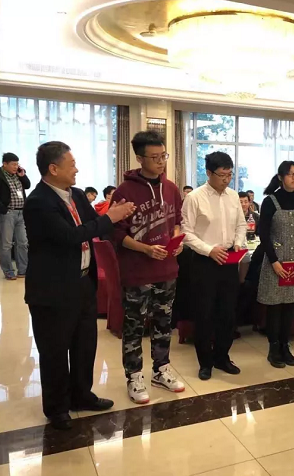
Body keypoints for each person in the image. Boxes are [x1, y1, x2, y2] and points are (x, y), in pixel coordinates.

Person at [23, 141, 135, 430]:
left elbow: (95, 223)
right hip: (52, 290)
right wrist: (110, 218)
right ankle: (57, 408)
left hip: (83, 282)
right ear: (53, 168)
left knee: (85, 344)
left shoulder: (75, 194)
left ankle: (82, 395)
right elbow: (70, 236)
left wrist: (116, 215)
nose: (76, 169)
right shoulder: (38, 202)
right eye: (71, 164)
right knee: (55, 351)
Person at [111, 131, 186, 404]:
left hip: (167, 269)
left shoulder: (171, 188)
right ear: (140, 158)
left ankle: (161, 369)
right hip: (137, 272)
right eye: (155, 157)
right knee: (134, 326)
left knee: (164, 322)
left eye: (164, 156)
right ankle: (134, 376)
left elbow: (176, 222)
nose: (161, 162)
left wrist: (177, 241)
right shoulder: (125, 191)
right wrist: (145, 249)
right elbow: (116, 234)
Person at [182, 151, 247, 380]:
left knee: (227, 313)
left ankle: (222, 356)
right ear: (208, 173)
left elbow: (241, 225)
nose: (226, 180)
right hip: (204, 261)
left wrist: (238, 242)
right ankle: (205, 362)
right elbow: (186, 233)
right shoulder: (195, 198)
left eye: (230, 175)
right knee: (204, 314)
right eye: (222, 175)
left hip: (229, 259)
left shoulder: (233, 196)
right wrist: (209, 250)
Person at [257, 161, 294, 368]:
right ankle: (273, 348)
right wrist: (274, 262)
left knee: (290, 305)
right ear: (280, 177)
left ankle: (285, 346)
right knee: (275, 306)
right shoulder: (270, 201)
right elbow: (263, 234)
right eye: (290, 174)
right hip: (275, 261)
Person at [0, 152, 31, 280]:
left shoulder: (18, 175)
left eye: (17, 164)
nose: (16, 167)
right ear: (5, 164)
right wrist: (3, 210)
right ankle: (8, 270)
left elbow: (27, 185)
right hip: (7, 214)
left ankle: (23, 269)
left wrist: (23, 176)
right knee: (6, 244)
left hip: (21, 213)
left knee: (23, 242)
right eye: (13, 164)